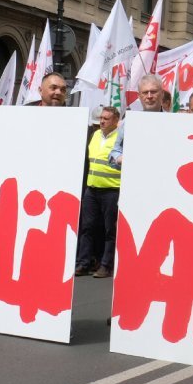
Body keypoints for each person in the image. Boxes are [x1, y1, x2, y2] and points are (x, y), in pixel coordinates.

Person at [75, 106, 120, 278]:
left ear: (115, 121)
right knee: (87, 228)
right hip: (92, 189)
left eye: (106, 119)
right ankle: (83, 263)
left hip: (112, 189)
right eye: (101, 118)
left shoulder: (120, 138)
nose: (102, 121)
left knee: (109, 231)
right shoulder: (94, 136)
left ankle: (106, 265)